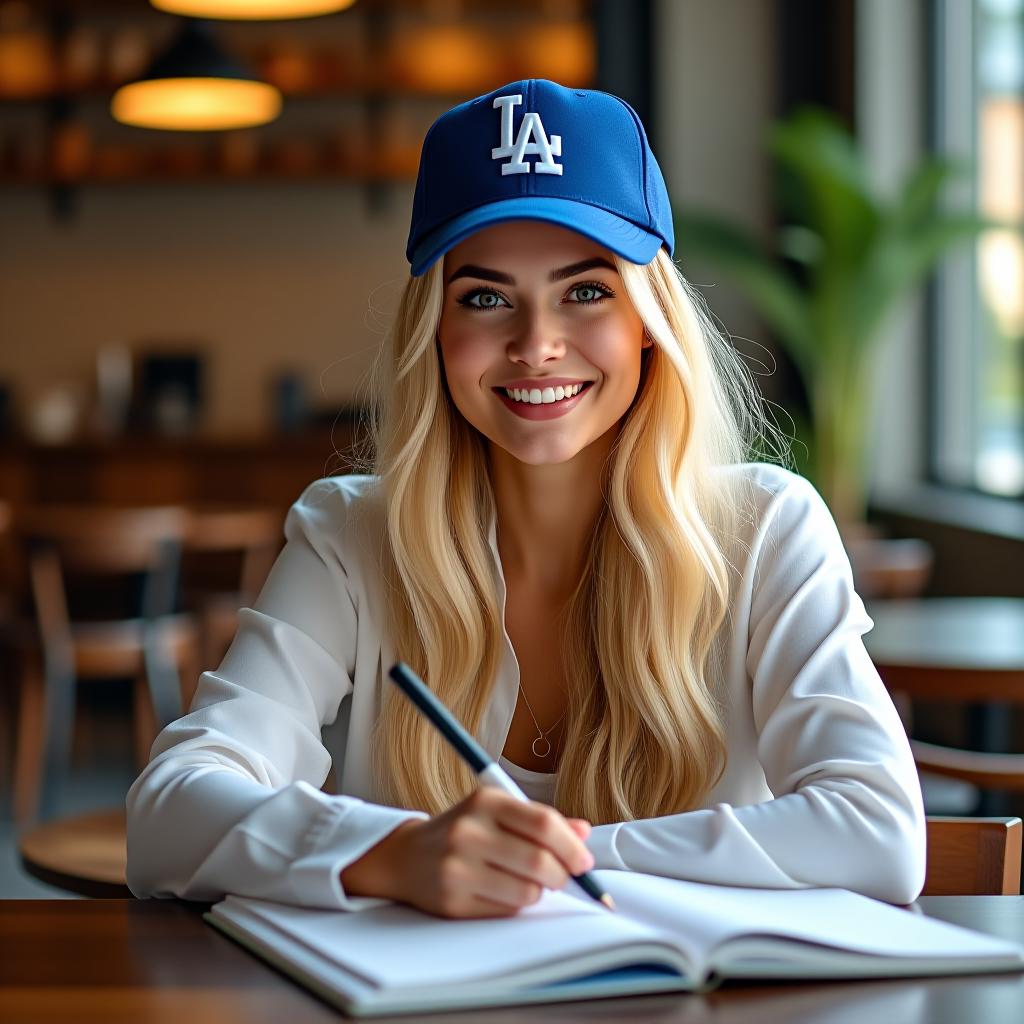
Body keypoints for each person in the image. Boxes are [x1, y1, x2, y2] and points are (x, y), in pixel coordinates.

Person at [126, 79, 925, 918]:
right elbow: (166, 814)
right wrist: (394, 854)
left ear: (647, 322)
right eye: (485, 298)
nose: (537, 345)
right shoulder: (350, 536)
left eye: (586, 291)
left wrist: (548, 855)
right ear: (434, 332)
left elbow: (879, 834)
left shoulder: (767, 528)